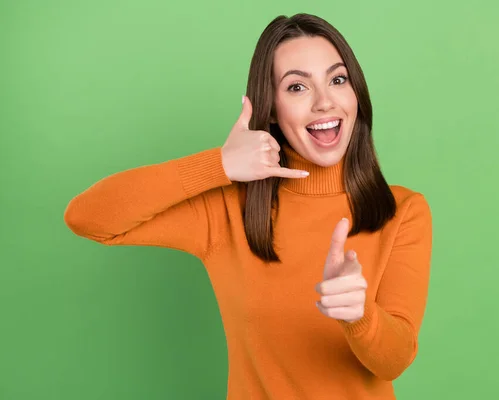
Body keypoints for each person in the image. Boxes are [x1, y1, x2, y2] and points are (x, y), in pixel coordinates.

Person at [64, 13, 433, 400]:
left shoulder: (403, 211)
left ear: (356, 92)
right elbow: (88, 217)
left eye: (337, 80)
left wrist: (360, 316)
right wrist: (218, 165)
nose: (325, 102)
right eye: (296, 87)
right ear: (270, 109)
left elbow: (394, 362)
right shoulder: (226, 212)